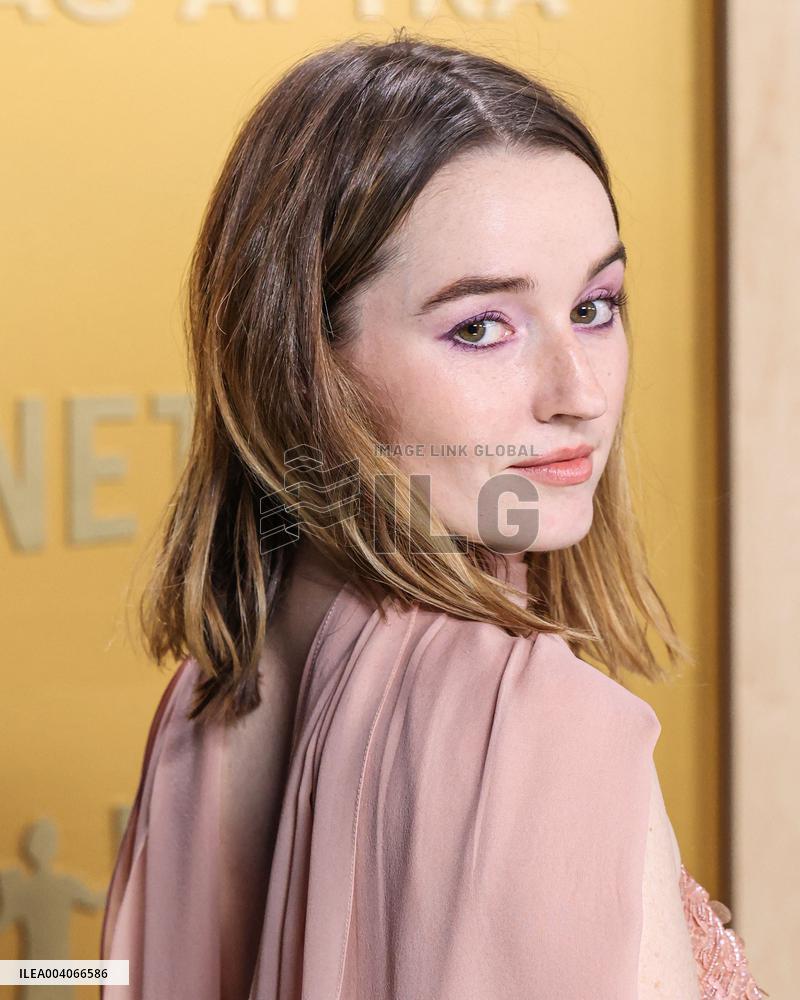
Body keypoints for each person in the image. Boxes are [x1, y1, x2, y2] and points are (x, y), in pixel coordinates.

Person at [99, 30, 767, 1000]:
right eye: (479, 326)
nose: (575, 391)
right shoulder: (535, 722)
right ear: (304, 360)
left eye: (593, 305)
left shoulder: (214, 685)